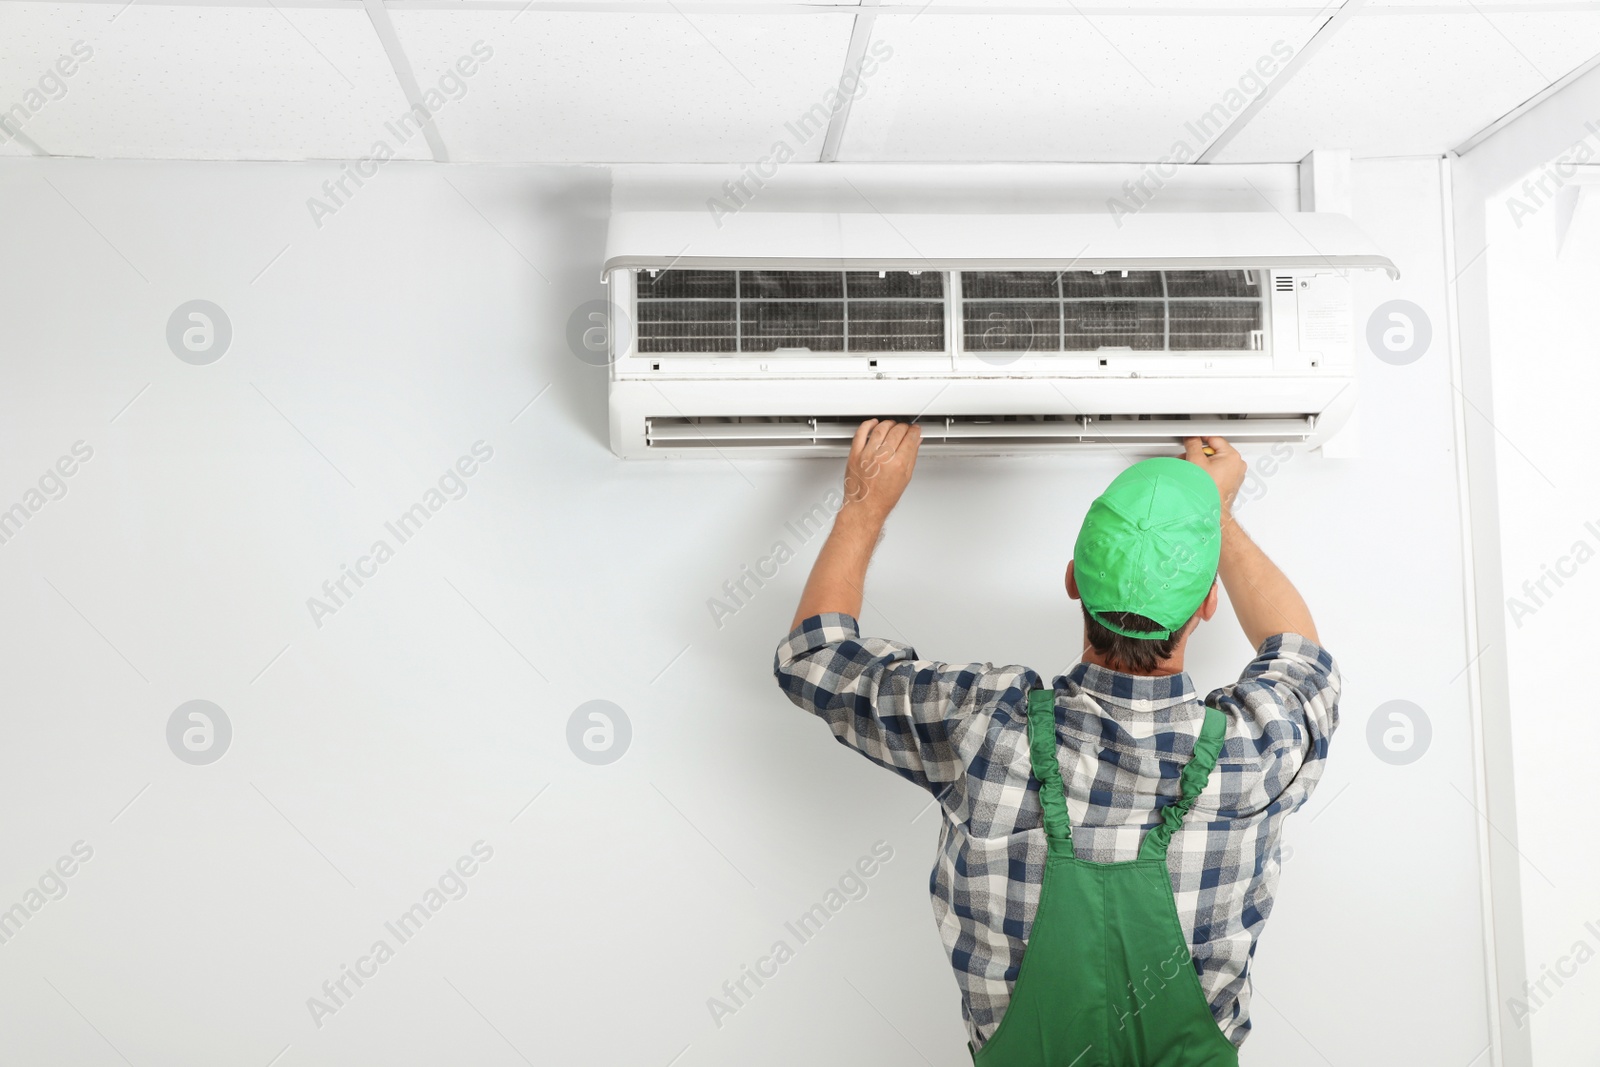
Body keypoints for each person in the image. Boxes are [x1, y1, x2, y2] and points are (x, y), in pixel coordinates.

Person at [773, 419, 1341, 1064]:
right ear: (1208, 603)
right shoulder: (1259, 746)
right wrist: (1218, 514)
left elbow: (815, 658)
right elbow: (1298, 655)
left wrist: (863, 503)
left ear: (1073, 580)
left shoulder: (983, 723)